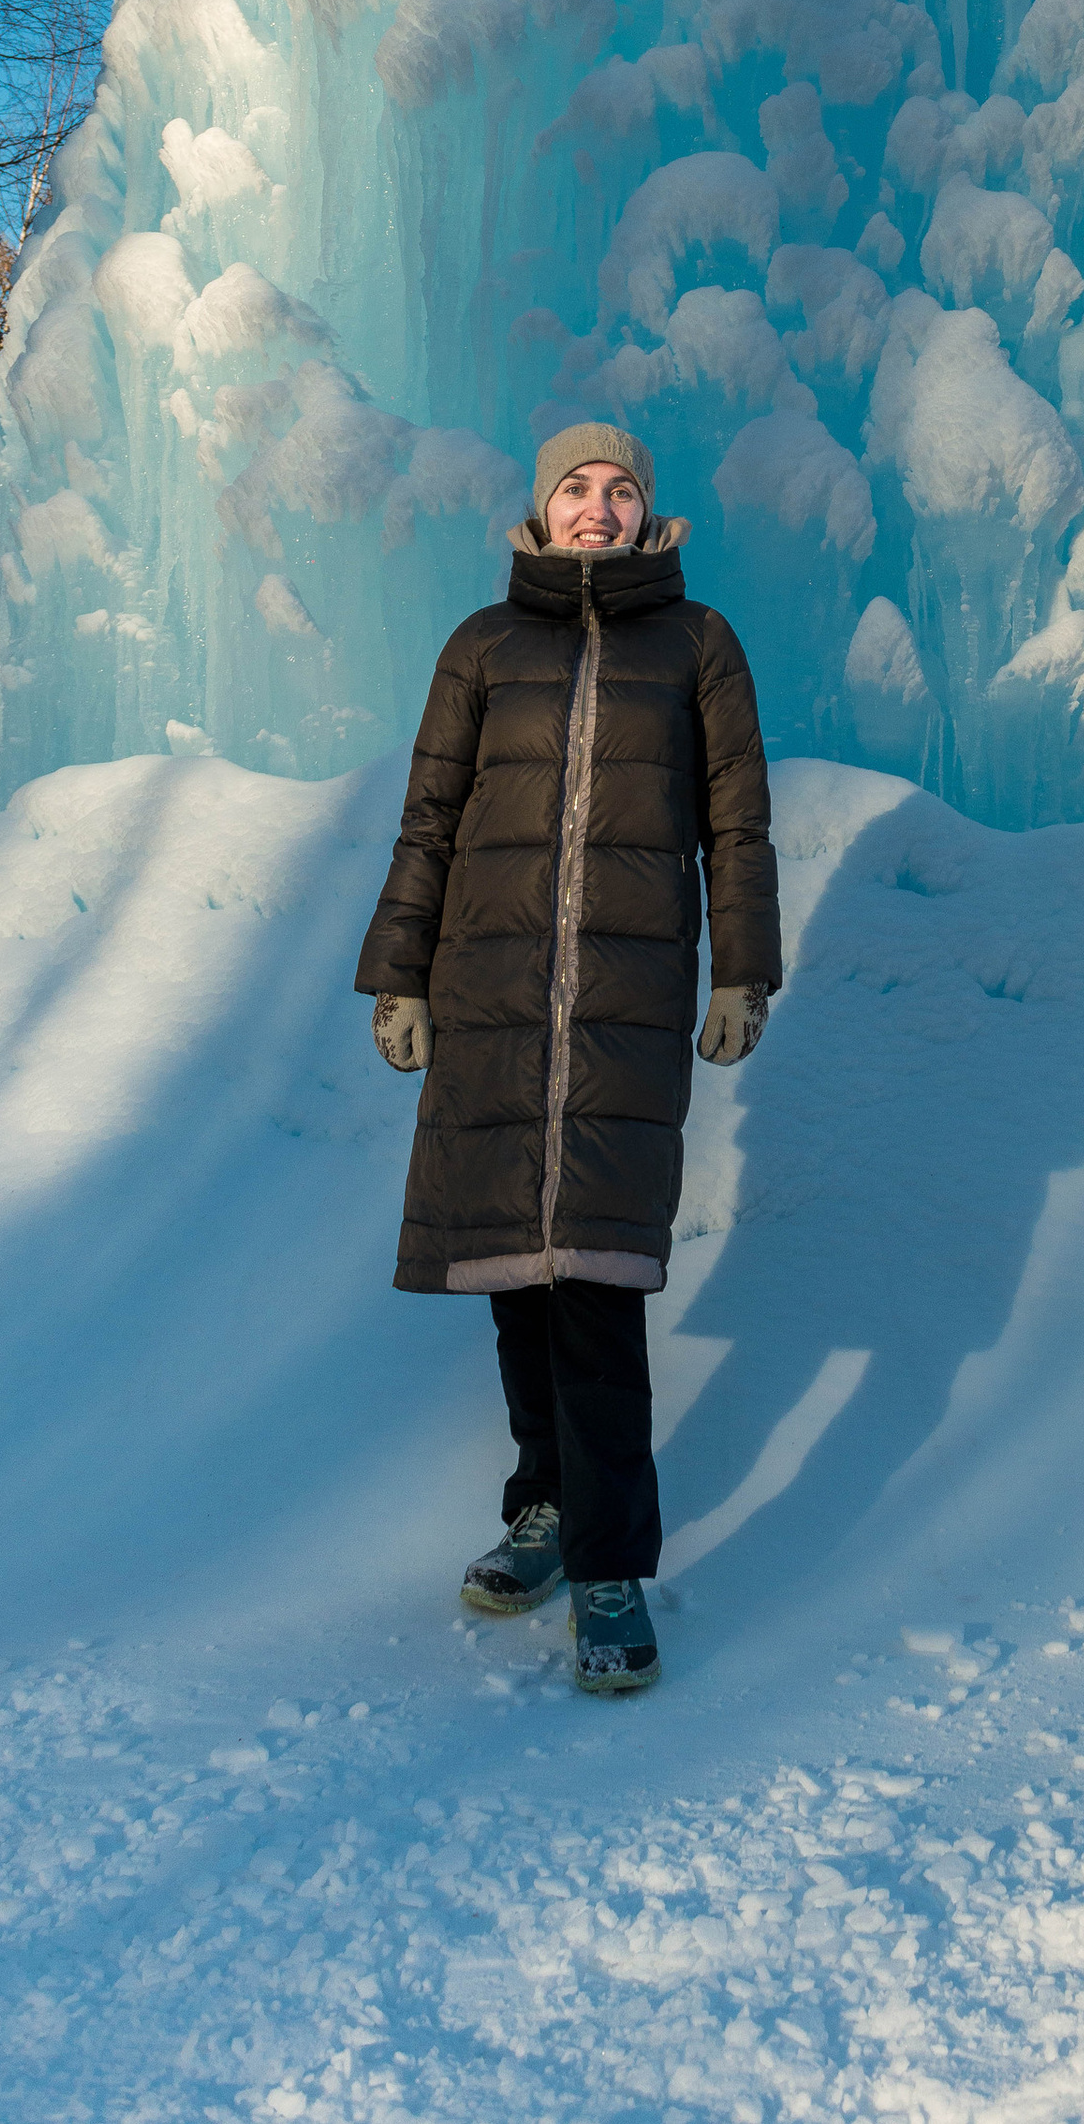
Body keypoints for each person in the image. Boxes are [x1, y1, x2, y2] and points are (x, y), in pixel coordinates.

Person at [356, 419, 781, 1695]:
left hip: (619, 999)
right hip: (492, 995)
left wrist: (745, 969)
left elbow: (736, 822)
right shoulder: (482, 646)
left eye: (620, 489)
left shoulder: (698, 645)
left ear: (652, 516)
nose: (596, 507)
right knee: (516, 1276)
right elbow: (430, 818)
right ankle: (541, 1503)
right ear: (536, 518)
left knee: (591, 1284)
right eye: (574, 489)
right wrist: (399, 975)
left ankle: (608, 1564)